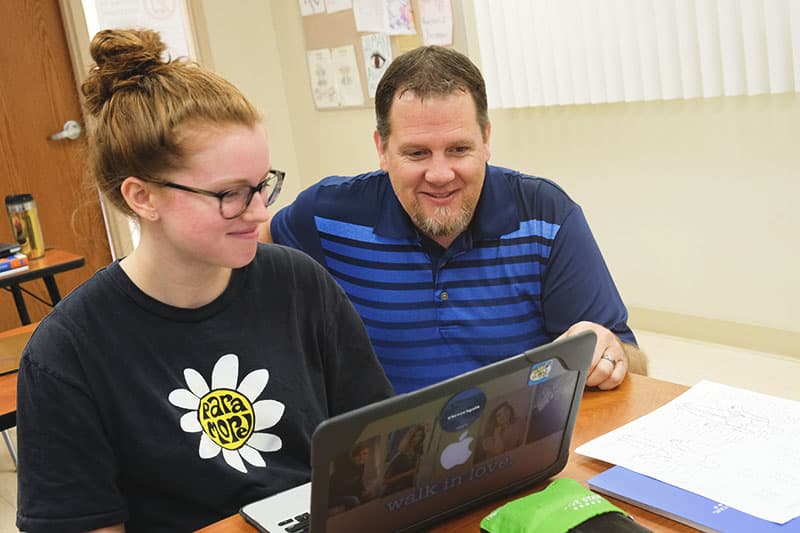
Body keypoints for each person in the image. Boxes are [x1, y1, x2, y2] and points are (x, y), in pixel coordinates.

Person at [15, 29, 392, 533]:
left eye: (262, 186)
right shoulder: (67, 354)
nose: (259, 211)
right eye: (230, 194)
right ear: (141, 197)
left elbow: (379, 448)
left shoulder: (299, 284)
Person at [266, 45, 646, 393]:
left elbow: (634, 363)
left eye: (459, 148)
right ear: (382, 150)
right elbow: (248, 244)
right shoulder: (327, 216)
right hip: (388, 454)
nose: (440, 174)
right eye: (416, 153)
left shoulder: (547, 217)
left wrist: (611, 357)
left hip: (517, 443)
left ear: (486, 139)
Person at [382, 424, 426, 495]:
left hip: (408, 491)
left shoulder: (416, 455)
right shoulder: (400, 456)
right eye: (415, 435)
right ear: (410, 437)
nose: (417, 438)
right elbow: (384, 481)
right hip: (393, 492)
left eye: (420, 436)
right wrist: (407, 473)